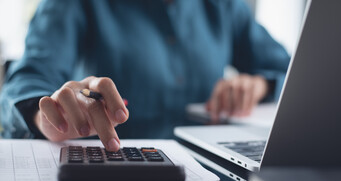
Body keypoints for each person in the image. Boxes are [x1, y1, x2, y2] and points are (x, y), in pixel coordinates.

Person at [0, 0, 290, 152]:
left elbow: (290, 69)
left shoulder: (225, 5)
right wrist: (48, 118)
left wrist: (261, 84)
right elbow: (29, 77)